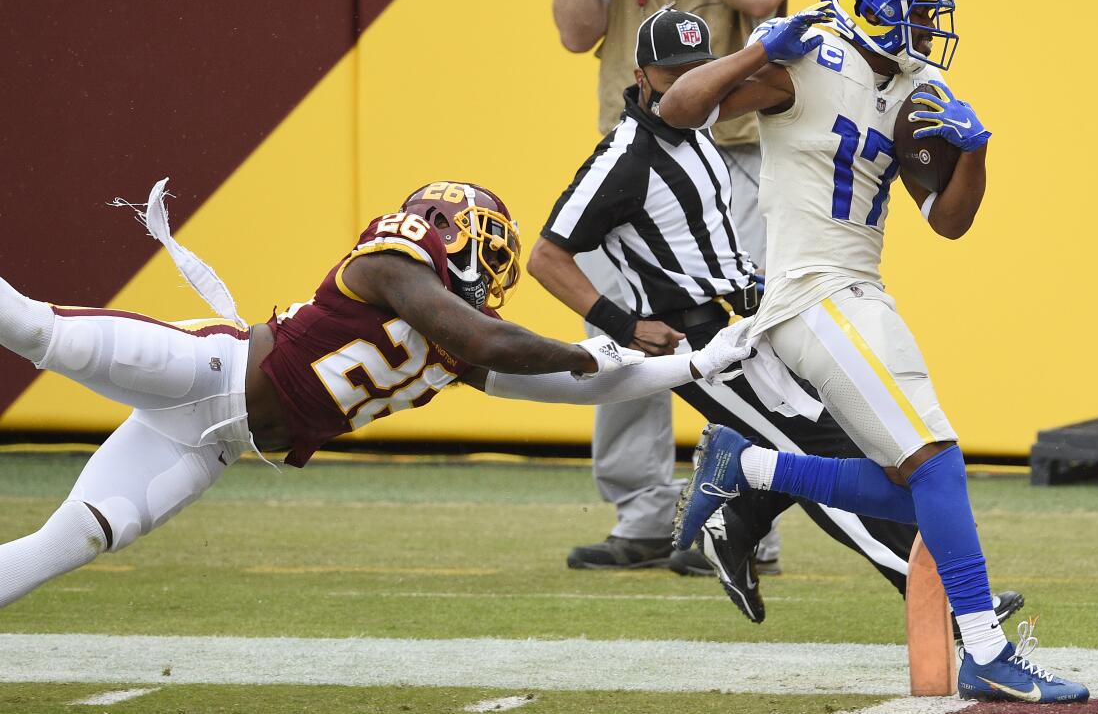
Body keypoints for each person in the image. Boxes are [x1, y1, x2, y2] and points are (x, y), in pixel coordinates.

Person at [661, 0, 1088, 703]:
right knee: (940, 462)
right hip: (809, 292)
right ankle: (986, 649)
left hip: (858, 288)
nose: (929, 32)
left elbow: (947, 221)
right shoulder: (810, 56)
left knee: (918, 486)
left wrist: (977, 154)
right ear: (868, 16)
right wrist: (754, 49)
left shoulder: (916, 84)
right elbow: (679, 107)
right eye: (915, 18)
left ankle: (749, 464)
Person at [0, 179, 754, 608]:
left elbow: (569, 388)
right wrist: (588, 350)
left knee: (84, 534)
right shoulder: (392, 265)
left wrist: (695, 365)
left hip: (210, 446)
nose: (494, 263)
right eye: (486, 240)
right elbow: (501, 344)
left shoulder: (450, 339)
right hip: (204, 369)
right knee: (38, 331)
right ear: (447, 225)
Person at [528, 7, 1023, 629]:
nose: (689, 79)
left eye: (698, 66)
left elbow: (705, 240)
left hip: (744, 322)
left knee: (836, 440)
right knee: (824, 448)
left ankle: (736, 522)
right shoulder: (626, 155)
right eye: (671, 71)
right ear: (639, 75)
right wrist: (622, 325)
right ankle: (943, 602)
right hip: (695, 340)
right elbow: (547, 256)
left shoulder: (699, 141)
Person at [552, 0, 797, 574]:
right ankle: (643, 515)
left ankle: (745, 520)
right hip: (631, 153)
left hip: (730, 150)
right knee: (621, 334)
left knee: (737, 337)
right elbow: (575, 31)